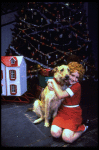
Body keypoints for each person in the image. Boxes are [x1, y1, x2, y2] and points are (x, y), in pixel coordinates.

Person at [47, 62, 89, 143]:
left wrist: (52, 81)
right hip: (62, 111)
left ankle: (84, 127)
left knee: (67, 138)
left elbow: (60, 95)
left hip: (73, 113)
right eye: (72, 75)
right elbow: (55, 82)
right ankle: (66, 129)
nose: (74, 79)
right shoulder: (65, 82)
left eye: (77, 77)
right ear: (68, 73)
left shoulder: (77, 85)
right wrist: (49, 82)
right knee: (55, 133)